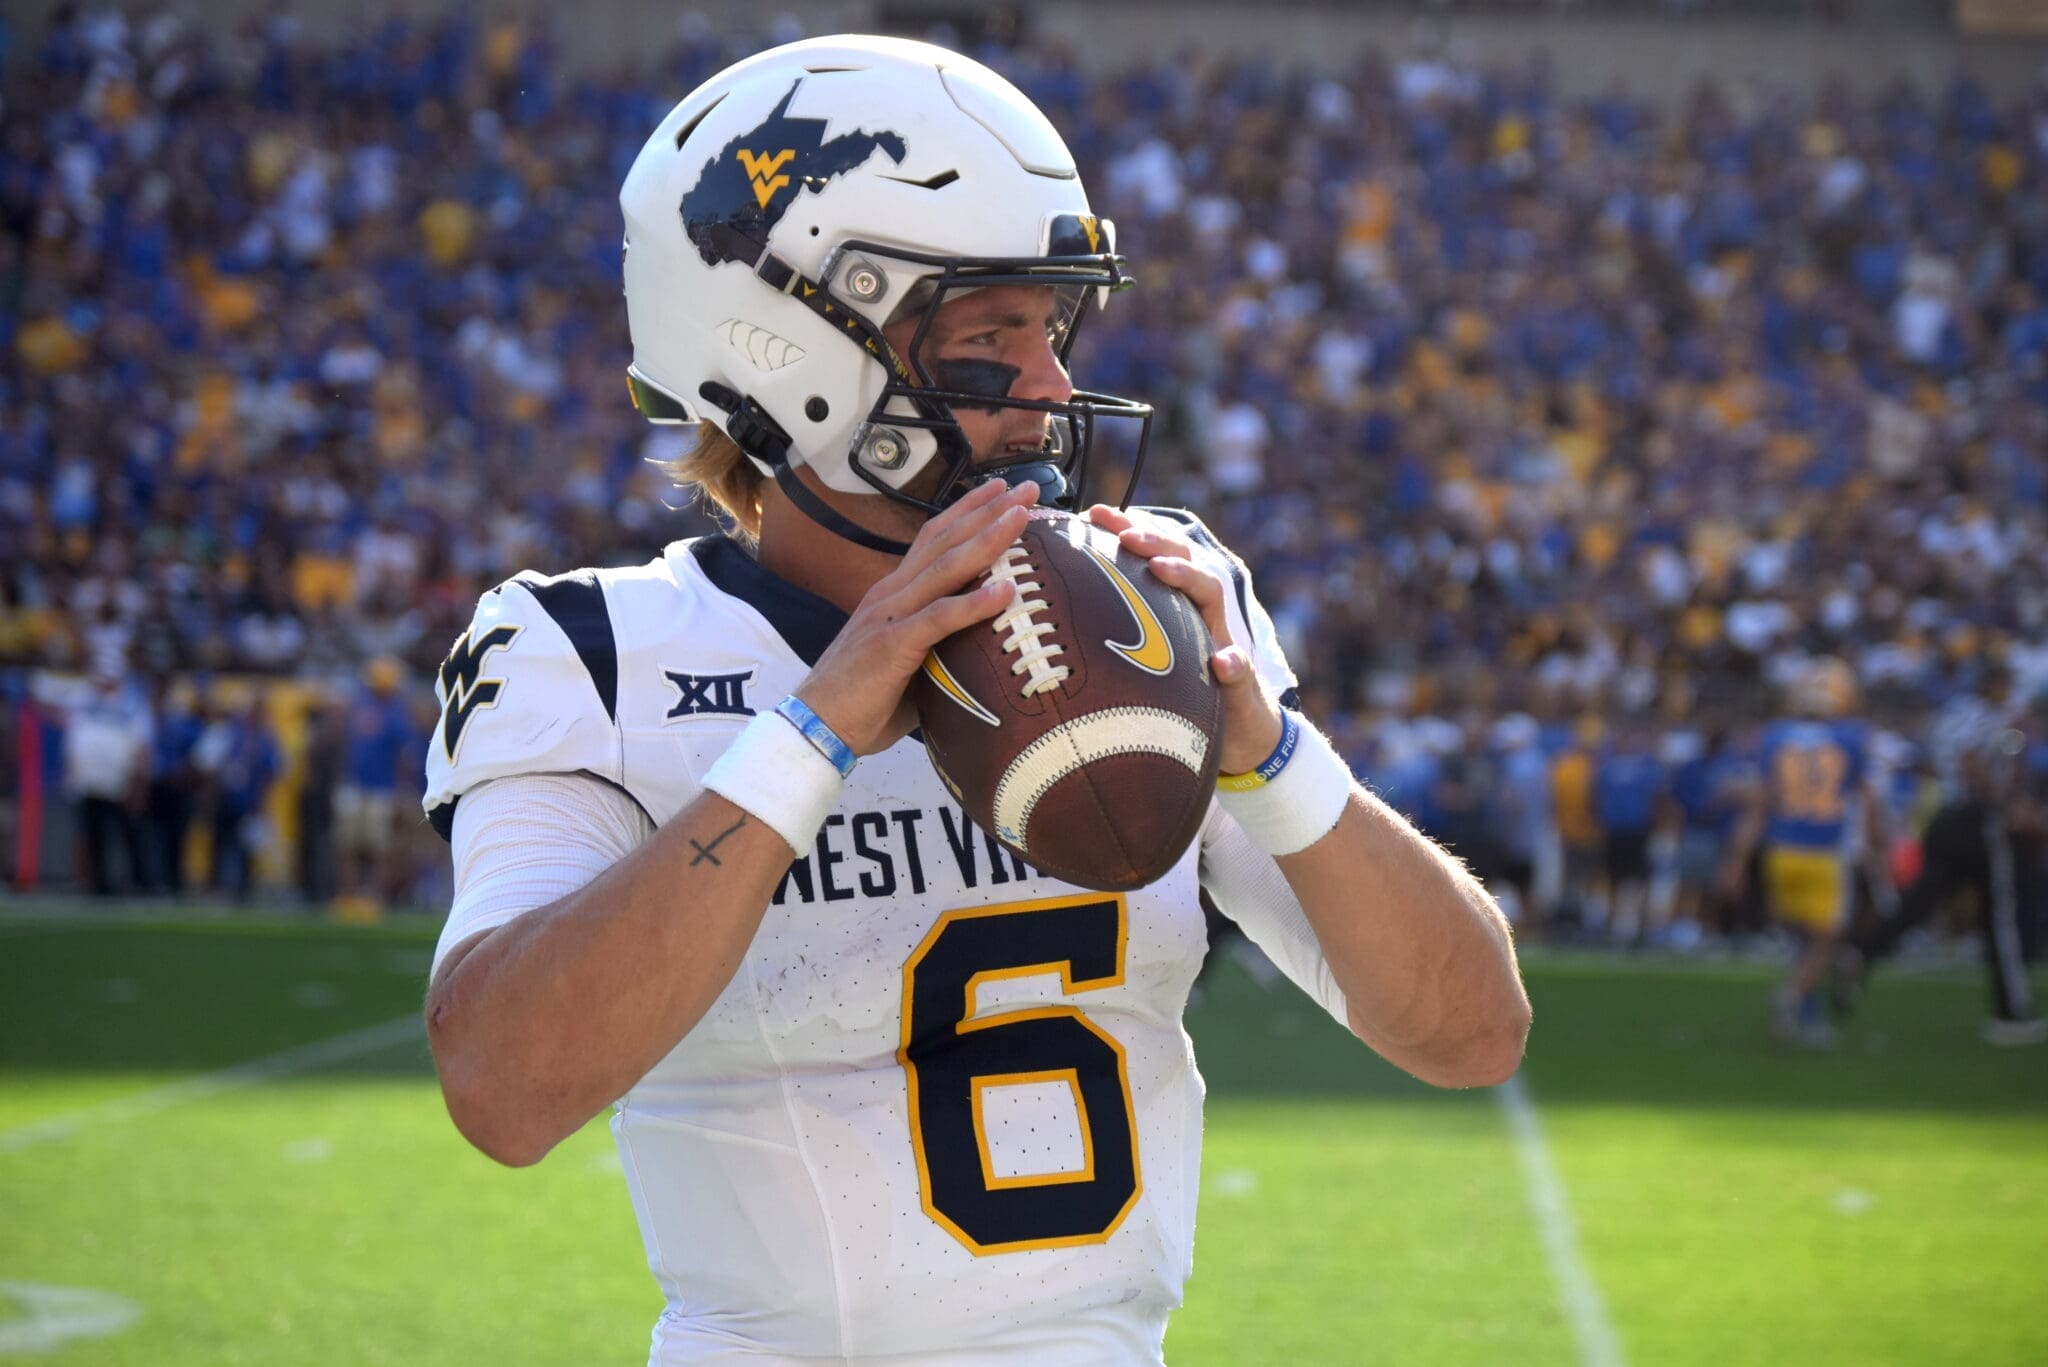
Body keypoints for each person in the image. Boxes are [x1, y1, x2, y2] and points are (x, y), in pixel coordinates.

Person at [421, 36, 1529, 1367]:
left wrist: (1269, 749)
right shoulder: (591, 647)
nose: (1055, 388)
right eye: (992, 334)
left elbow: (1472, 1031)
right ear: (789, 352)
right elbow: (502, 1083)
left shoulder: (1153, 602)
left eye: (1051, 330)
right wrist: (809, 736)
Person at [1844, 665, 2044, 1045]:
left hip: (1946, 815)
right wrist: (2003, 802)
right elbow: (1972, 760)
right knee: (2002, 914)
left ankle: (1863, 951)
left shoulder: (1953, 710)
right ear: (1994, 685)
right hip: (1979, 819)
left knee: (1921, 900)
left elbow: (1935, 760)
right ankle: (2012, 1012)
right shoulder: (1992, 717)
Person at [1721, 658, 1886, 1048]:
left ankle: (1807, 1006)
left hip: (1781, 850)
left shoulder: (1775, 737)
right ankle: (1794, 997)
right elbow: (1870, 800)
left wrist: (1737, 861)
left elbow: (1761, 802)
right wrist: (1879, 848)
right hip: (1824, 851)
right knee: (1826, 938)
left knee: (1803, 935)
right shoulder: (1851, 738)